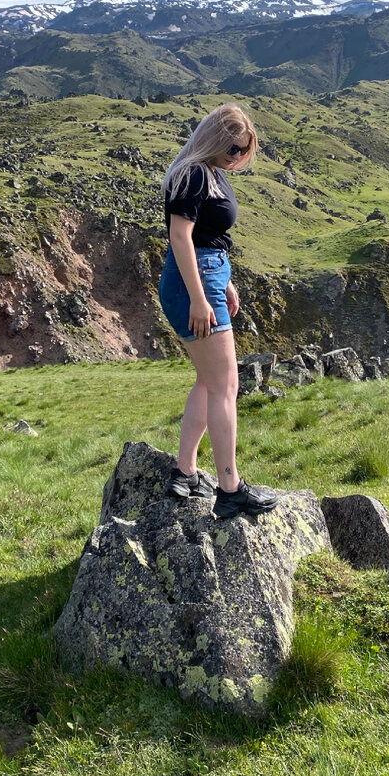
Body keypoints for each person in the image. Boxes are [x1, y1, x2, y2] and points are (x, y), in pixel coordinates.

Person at [157, 103, 278, 519]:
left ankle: (186, 472)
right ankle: (230, 490)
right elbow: (180, 235)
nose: (237, 157)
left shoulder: (209, 173)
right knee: (227, 385)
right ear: (213, 140)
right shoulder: (192, 173)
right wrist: (199, 296)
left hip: (208, 275)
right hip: (194, 280)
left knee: (209, 383)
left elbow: (209, 235)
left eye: (242, 151)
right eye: (232, 149)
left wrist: (223, 281)